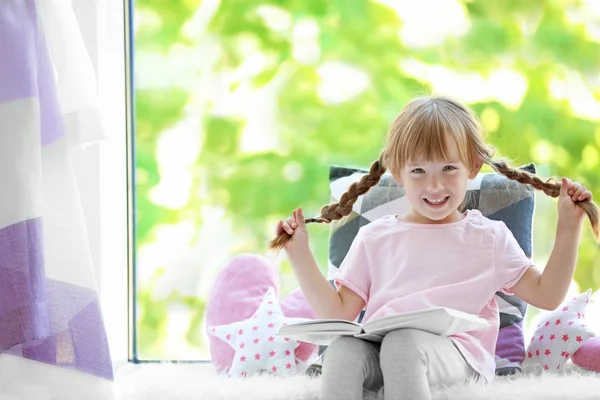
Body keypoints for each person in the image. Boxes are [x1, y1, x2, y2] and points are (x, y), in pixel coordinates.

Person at [269, 96, 599, 400]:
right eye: (419, 171)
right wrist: (300, 255)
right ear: (398, 173)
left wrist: (568, 228)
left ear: (471, 167)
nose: (435, 185)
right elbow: (338, 312)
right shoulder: (375, 238)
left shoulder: (488, 237)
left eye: (448, 168)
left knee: (403, 344)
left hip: (458, 353)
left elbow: (548, 294)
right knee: (343, 349)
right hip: (383, 346)